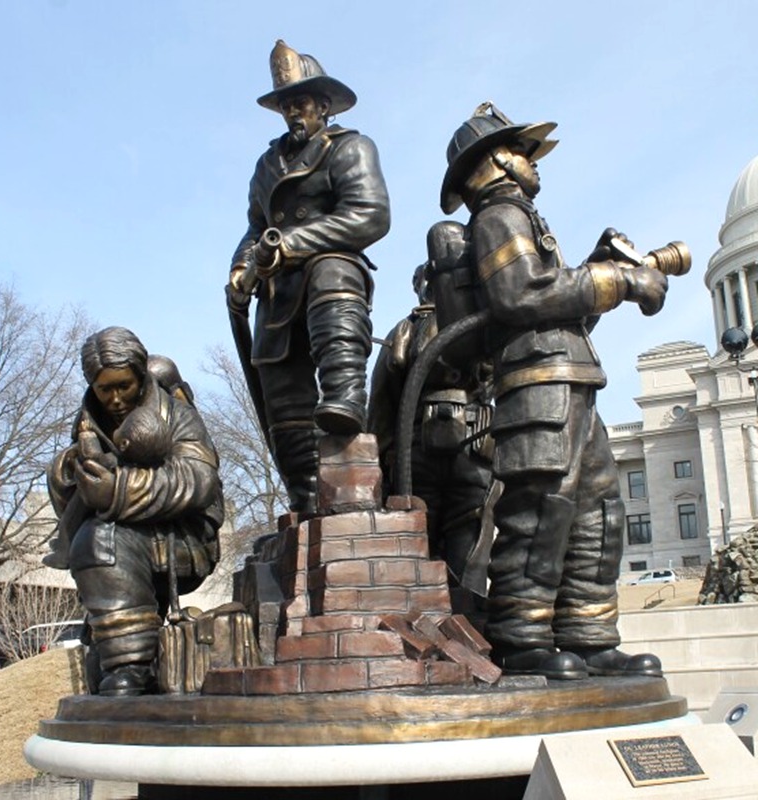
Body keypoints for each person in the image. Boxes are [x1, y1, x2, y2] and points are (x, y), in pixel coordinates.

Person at [440, 102, 667, 679]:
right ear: (498, 162)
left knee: (599, 511)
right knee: (542, 508)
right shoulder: (498, 216)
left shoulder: (524, 219)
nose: (534, 163)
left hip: (571, 380)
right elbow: (520, 294)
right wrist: (616, 280)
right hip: (537, 389)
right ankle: (522, 637)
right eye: (525, 152)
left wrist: (594, 269)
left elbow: (555, 312)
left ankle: (589, 635)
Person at [227, 40, 390, 514]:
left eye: (301, 101)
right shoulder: (266, 165)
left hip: (328, 279)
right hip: (278, 297)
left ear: (323, 105)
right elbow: (255, 228)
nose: (293, 111)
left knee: (329, 269)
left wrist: (293, 245)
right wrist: (242, 270)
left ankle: (345, 398)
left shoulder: (351, 148)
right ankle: (307, 502)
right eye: (285, 104)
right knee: (284, 408)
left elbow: (370, 214)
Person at [47, 327, 224, 696]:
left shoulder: (177, 415)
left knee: (100, 540)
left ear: (141, 376)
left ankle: (130, 669)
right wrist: (72, 473)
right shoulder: (86, 424)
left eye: (123, 386)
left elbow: (198, 479)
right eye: (104, 389)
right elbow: (76, 498)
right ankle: (119, 648)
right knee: (97, 539)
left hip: (180, 536)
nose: (114, 399)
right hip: (115, 535)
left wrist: (117, 490)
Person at [368, 260, 498, 596]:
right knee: (455, 545)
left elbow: (381, 407)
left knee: (438, 545)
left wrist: (383, 458)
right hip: (449, 453)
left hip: (451, 452)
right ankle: (463, 626)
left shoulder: (407, 331)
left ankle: (457, 624)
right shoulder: (482, 329)